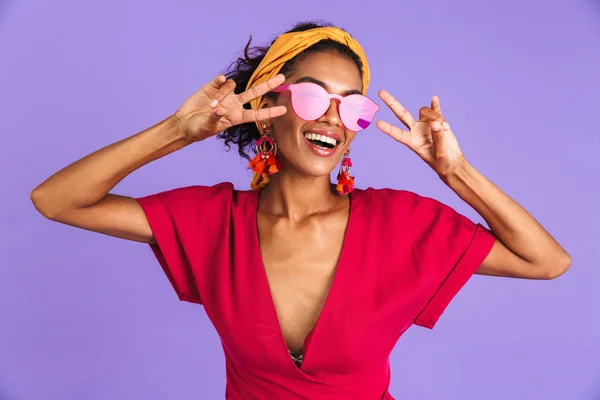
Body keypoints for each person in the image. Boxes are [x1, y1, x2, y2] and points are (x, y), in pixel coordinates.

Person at [30, 20, 571, 400]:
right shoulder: (211, 222)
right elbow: (55, 200)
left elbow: (547, 261)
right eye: (313, 97)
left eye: (352, 105)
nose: (334, 118)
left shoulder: (402, 224)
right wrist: (176, 132)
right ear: (266, 114)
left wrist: (455, 172)